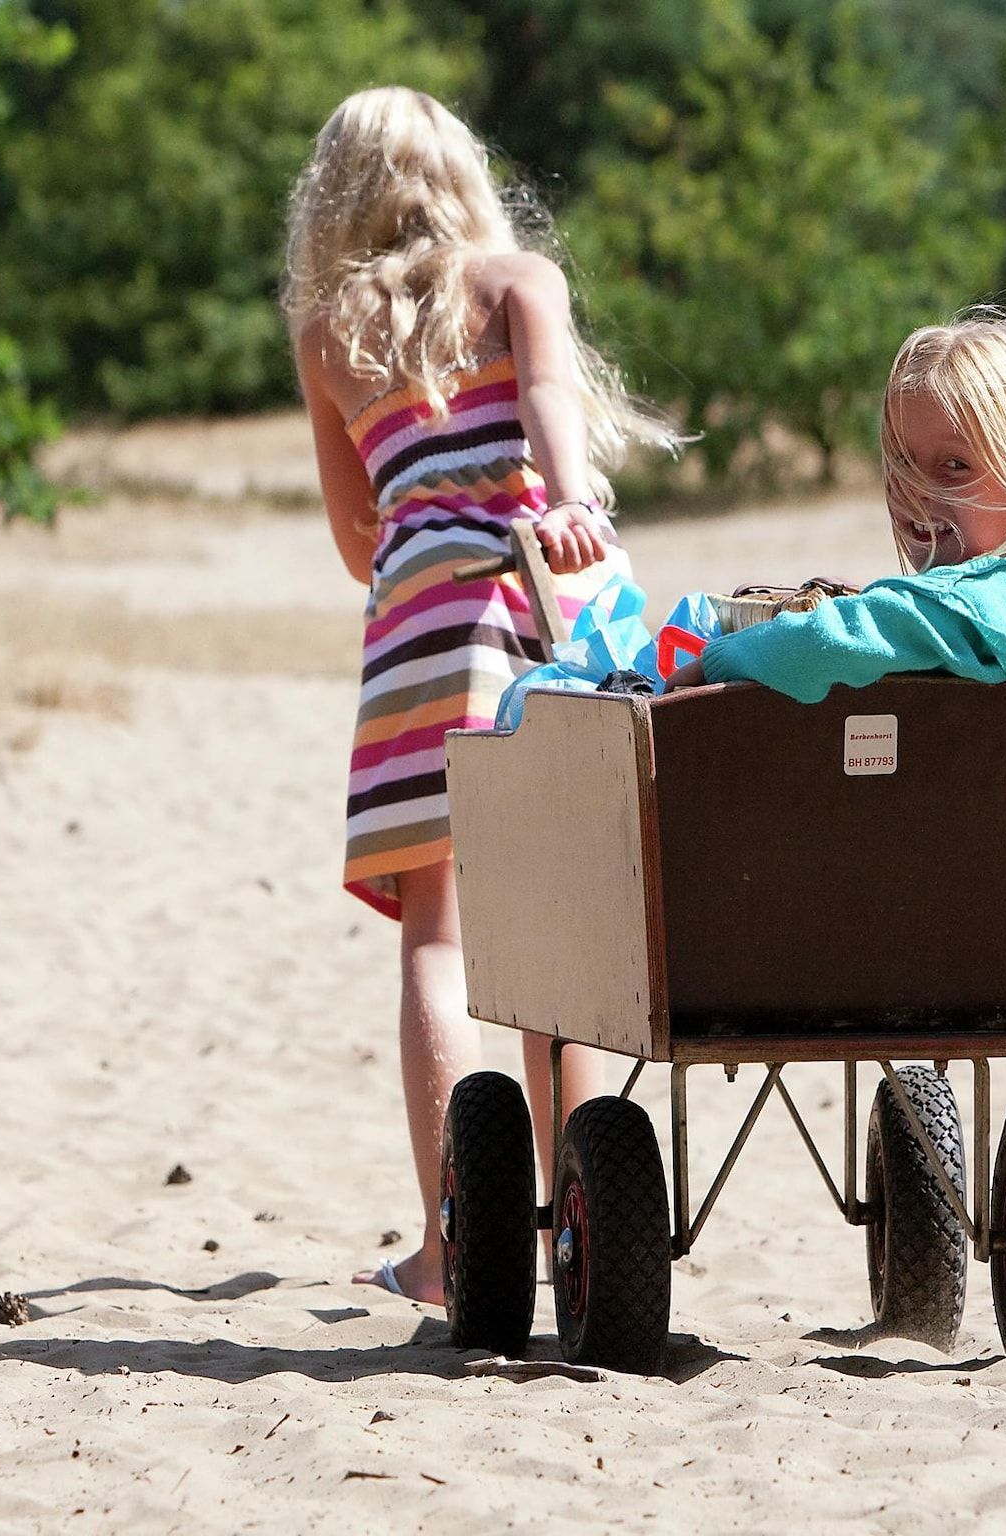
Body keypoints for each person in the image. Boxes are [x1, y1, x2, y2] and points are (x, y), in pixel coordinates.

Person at [283, 88, 680, 1303]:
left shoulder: (329, 332)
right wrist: (565, 502)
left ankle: (457, 1242)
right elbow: (555, 408)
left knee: (437, 937)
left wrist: (417, 511)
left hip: (413, 641)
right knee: (554, 935)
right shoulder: (518, 284)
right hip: (527, 622)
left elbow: (358, 540)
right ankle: (574, 1233)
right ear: (462, 176)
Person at [669, 312, 1006, 789]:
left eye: (955, 465)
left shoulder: (956, 606)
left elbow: (829, 639)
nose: (917, 489)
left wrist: (718, 661)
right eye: (902, 460)